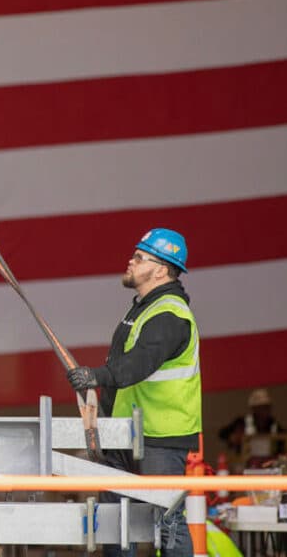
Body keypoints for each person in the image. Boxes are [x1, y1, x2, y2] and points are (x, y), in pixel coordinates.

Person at [66, 228, 199, 557]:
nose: (131, 260)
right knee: (118, 521)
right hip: (127, 433)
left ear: (160, 269)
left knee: (167, 521)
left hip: (159, 437)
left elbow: (140, 363)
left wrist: (95, 376)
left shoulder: (169, 313)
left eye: (139, 257)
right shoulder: (143, 308)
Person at [241, 387, 286, 467]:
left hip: (269, 464)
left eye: (267, 407)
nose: (265, 410)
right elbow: (223, 433)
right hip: (248, 464)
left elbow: (283, 441)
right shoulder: (243, 422)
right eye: (262, 407)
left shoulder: (274, 424)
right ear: (254, 408)